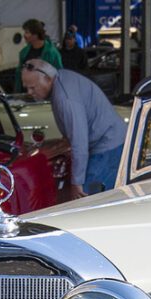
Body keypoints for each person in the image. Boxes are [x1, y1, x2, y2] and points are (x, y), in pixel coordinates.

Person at [21, 60, 126, 199]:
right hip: (107, 140)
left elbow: (79, 141)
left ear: (47, 79)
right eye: (27, 88)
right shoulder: (62, 79)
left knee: (87, 199)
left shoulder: (65, 98)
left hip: (108, 145)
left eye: (33, 88)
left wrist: (77, 183)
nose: (30, 92)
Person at [16, 19, 63, 92]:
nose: (24, 35)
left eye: (27, 32)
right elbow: (19, 75)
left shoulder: (52, 53)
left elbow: (59, 76)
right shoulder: (24, 52)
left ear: (36, 34)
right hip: (26, 95)